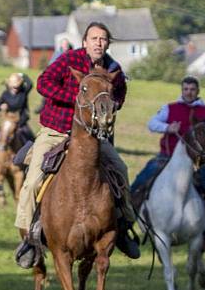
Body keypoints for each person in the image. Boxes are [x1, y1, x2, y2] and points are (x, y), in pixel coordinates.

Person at [14, 21, 140, 265]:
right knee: (32, 182)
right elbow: (43, 83)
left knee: (120, 171)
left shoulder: (113, 68)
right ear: (84, 42)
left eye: (103, 39)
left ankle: (123, 227)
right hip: (56, 131)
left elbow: (120, 93)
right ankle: (28, 239)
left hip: (92, 136)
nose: (98, 43)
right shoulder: (69, 60)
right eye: (94, 38)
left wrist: (110, 106)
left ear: (108, 44)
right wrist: (77, 99)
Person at [130, 76, 205, 252]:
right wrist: (167, 128)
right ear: (182, 91)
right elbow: (152, 124)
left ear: (198, 91)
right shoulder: (170, 108)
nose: (189, 92)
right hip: (166, 157)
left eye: (192, 89)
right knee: (140, 182)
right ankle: (127, 224)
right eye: (186, 89)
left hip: (197, 161)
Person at [0, 72, 34, 176]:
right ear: (9, 85)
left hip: (20, 122)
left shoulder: (23, 92)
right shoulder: (5, 94)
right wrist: (2, 106)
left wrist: (22, 74)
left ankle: (31, 166)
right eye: (13, 86)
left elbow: (30, 83)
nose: (15, 88)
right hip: (7, 122)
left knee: (32, 141)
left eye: (17, 86)